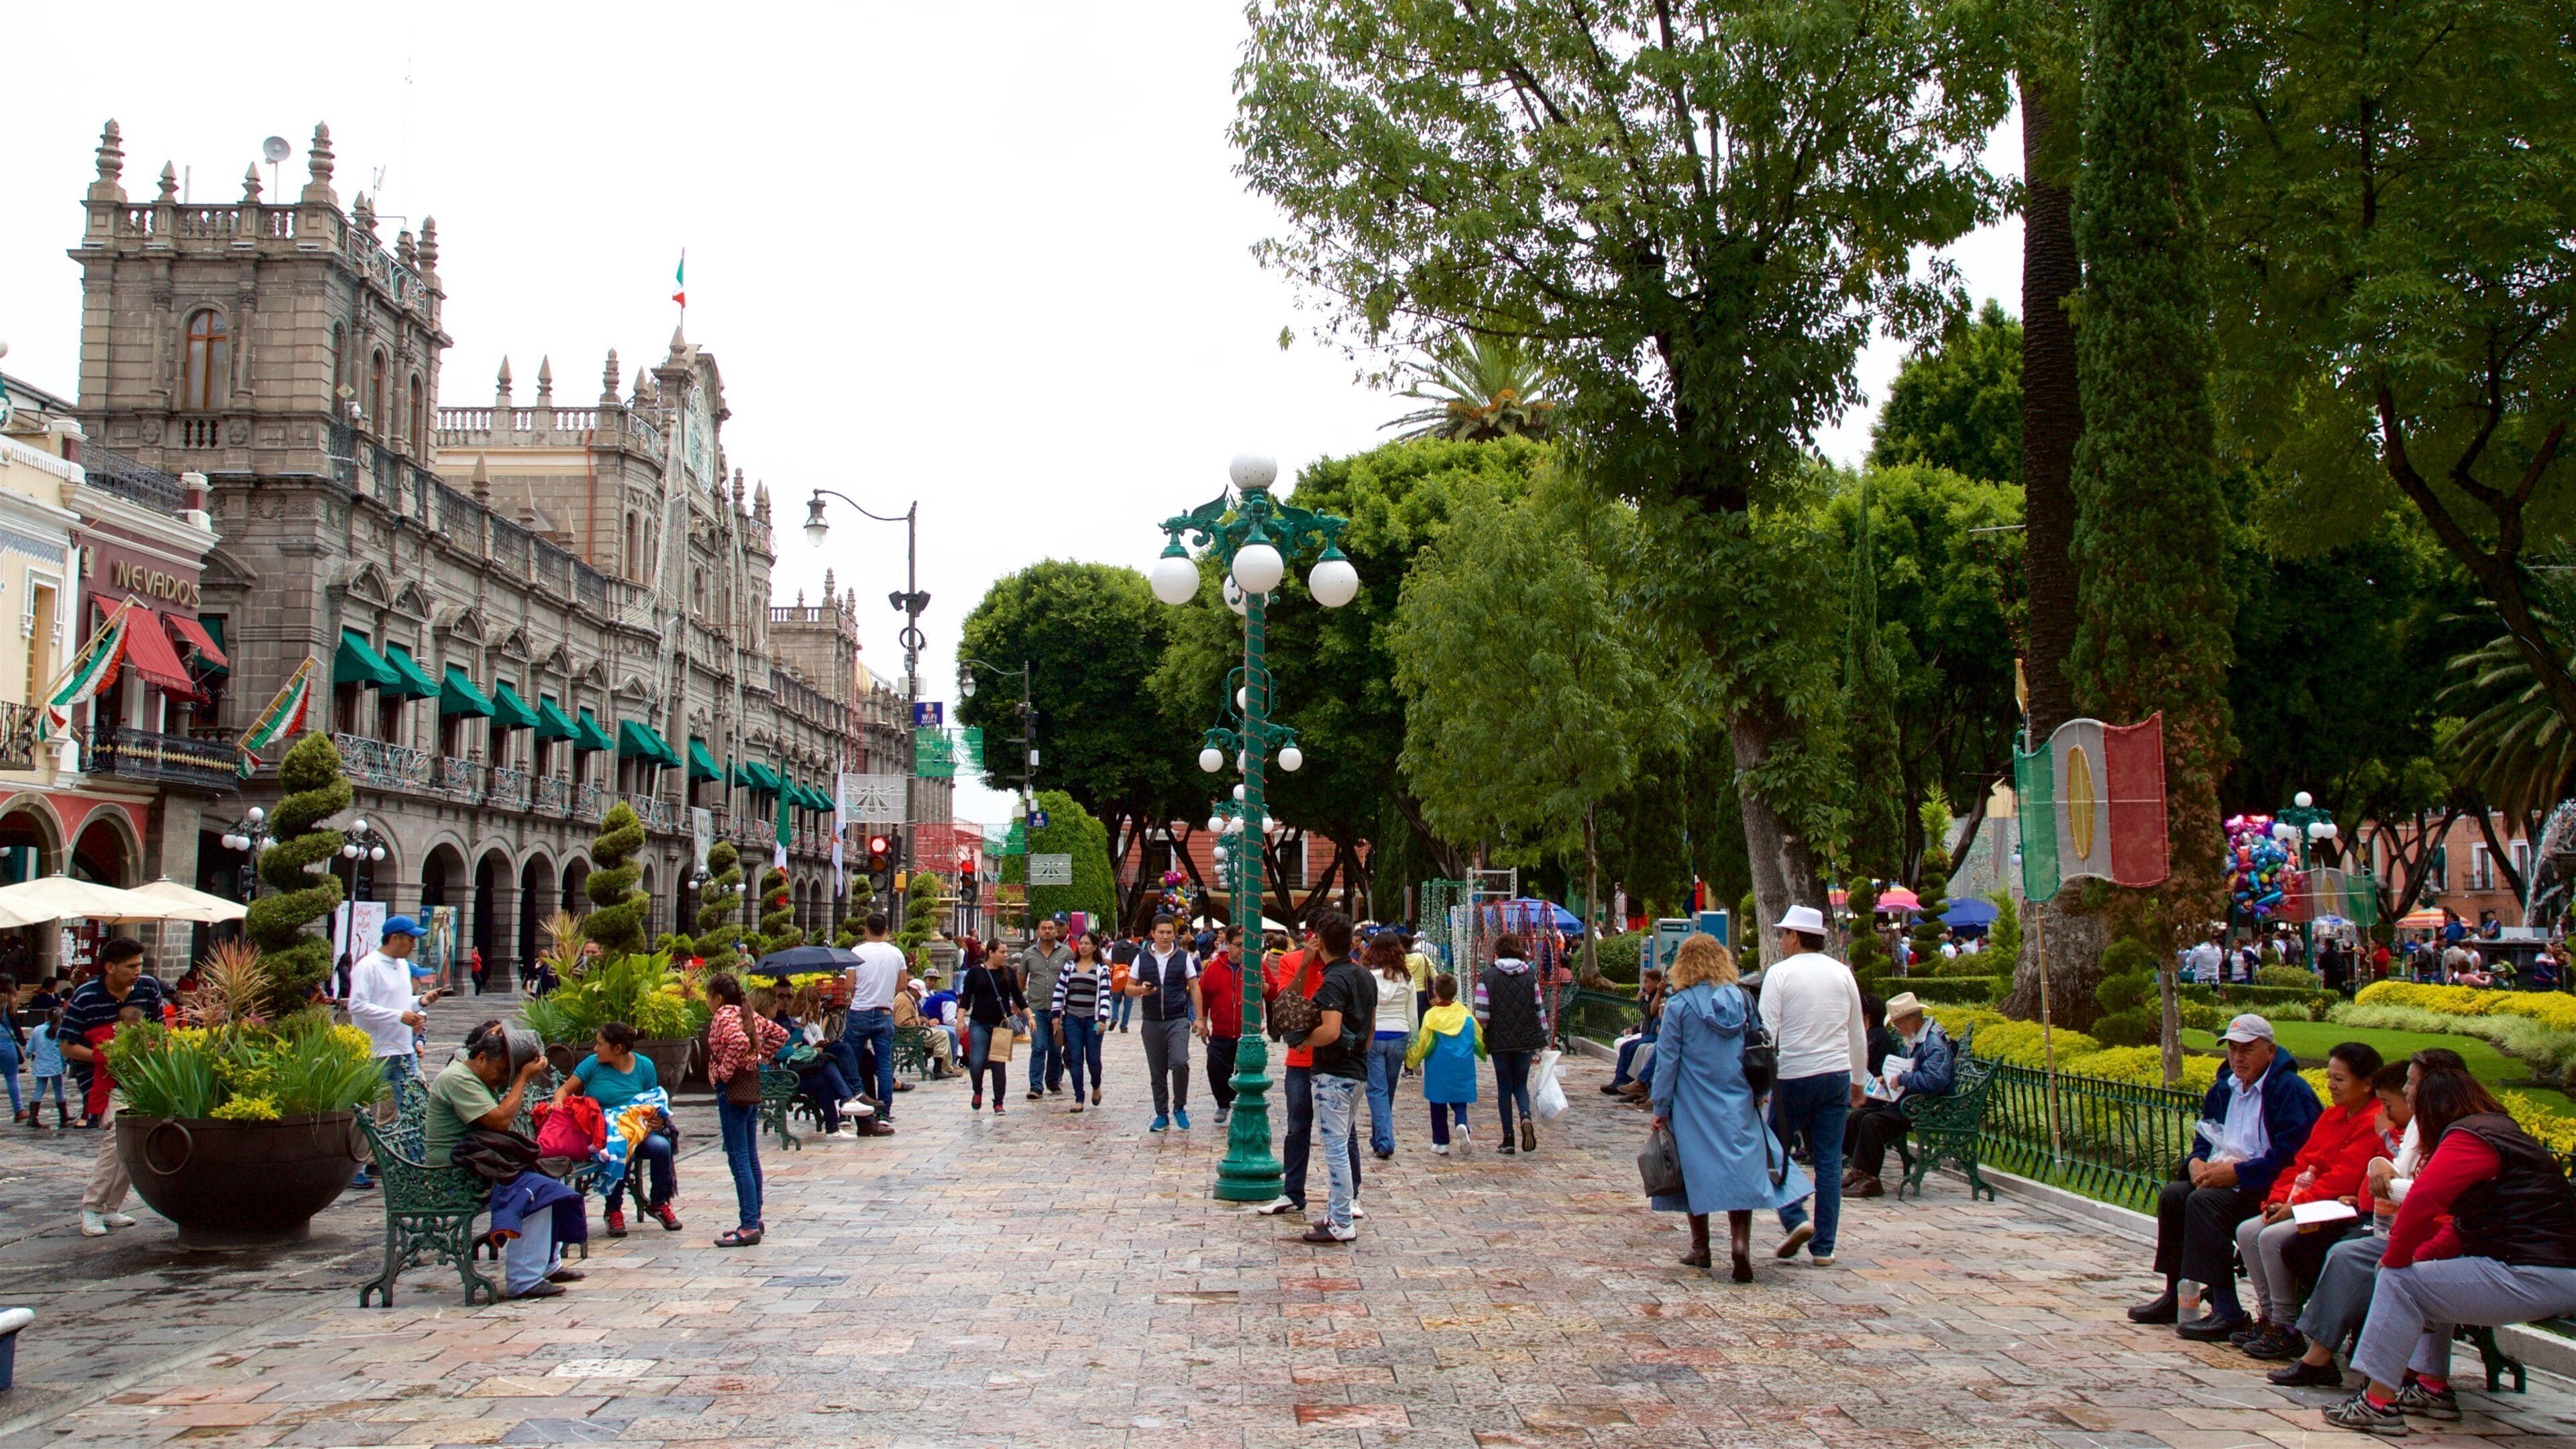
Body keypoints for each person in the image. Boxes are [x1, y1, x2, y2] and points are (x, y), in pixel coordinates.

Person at [2324, 1067, 2576, 1434]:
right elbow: (2467, 1225)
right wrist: (2418, 1257)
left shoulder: (2468, 1137)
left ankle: (2376, 1404)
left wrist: (2393, 1261)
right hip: (2550, 1272)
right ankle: (2430, 1388)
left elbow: (2424, 1200)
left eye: (2413, 1090)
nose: (2408, 1095)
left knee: (2400, 1281)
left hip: (2535, 1273)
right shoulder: (2498, 1130)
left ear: (2434, 1104)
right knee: (2421, 1275)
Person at [2129, 1014, 2325, 1336]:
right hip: (2227, 1177)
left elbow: (2293, 1155)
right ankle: (2176, 1293)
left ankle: (2227, 1307)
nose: (2238, 1057)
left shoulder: (2289, 1090)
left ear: (2271, 1051)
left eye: (2247, 1049)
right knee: (2175, 1196)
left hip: (2268, 1188)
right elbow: (2206, 1136)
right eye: (2233, 1049)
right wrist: (2196, 1160)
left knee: (2206, 1203)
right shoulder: (2224, 1089)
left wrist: (2239, 1174)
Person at [1651, 934, 1815, 1283]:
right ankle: (1740, 1244)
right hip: (1738, 1096)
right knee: (1740, 1168)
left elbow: (1667, 1060)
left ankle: (1701, 1247)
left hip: (1693, 1099)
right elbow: (1761, 1045)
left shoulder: (1679, 1006)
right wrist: (1762, 1090)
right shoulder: (1742, 1000)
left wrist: (1660, 1106)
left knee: (1693, 1171)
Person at [2270, 1056, 2441, 1387]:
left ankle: (2320, 1353)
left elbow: (2422, 1189)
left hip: (2418, 1232)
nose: (2407, 1091)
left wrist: (2382, 1160)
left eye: (2412, 1083)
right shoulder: (2405, 1126)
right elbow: (2310, 1162)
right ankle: (2288, 1326)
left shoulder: (2428, 1129)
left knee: (2344, 1254)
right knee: (2290, 1242)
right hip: (2377, 1217)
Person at [2230, 1040, 2387, 1359]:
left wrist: (2294, 1208)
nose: (2330, 1086)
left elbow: (2344, 1176)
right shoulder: (2332, 1118)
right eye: (2329, 1077)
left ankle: (2287, 1326)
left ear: (2367, 1083)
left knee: (2274, 1237)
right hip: (2305, 1200)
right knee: (2249, 1230)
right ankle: (2270, 1315)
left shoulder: (2373, 1121)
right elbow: (2301, 1164)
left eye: (2339, 1080)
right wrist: (2275, 1201)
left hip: (2342, 1207)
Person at [427, 1020, 582, 1297]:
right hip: (454, 1172)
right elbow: (499, 1121)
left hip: (478, 1162)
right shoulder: (458, 1078)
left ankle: (547, 1264)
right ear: (482, 1058)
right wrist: (522, 1078)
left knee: (551, 1174)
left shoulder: (475, 1071)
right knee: (534, 1191)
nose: (502, 1080)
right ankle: (524, 1279)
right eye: (501, 1072)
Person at [1758, 905, 1867, 1265]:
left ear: (1793, 936)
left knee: (1774, 1151)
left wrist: (1761, 1086)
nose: (1782, 941)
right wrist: (1858, 1079)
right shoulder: (1842, 974)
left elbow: (1766, 1034)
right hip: (1835, 1073)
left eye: (1783, 934)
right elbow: (1856, 1032)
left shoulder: (1780, 974)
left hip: (1793, 1075)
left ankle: (1794, 1217)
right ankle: (1825, 1246)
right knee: (1829, 1161)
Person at [61, 938, 166, 1237]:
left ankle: (110, 1208)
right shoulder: (85, 996)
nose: (138, 971)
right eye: (131, 966)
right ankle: (92, 1207)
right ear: (110, 967)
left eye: (140, 965)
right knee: (118, 1134)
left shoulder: (148, 988)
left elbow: (159, 1030)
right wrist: (105, 1054)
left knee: (133, 1139)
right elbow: (67, 1046)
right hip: (100, 1079)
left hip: (141, 1075)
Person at [1257, 928, 1362, 1218]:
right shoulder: (1293, 960)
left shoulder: (1348, 969)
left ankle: (1350, 1195)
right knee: (1297, 1127)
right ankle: (1293, 1192)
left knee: (1345, 1132)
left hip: (1335, 1061)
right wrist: (1305, 963)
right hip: (1301, 1061)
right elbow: (1283, 1000)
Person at [555, 1022, 681, 1236]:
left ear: (618, 1049)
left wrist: (658, 1120)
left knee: (661, 1147)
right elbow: (564, 1090)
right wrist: (558, 1106)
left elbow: (653, 1101)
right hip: (602, 1134)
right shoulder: (591, 1065)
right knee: (621, 1147)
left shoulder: (644, 1066)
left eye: (600, 1044)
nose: (595, 1049)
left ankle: (659, 1203)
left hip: (636, 1130)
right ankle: (613, 1210)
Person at [1293, 912, 1372, 1244]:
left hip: (1334, 1072)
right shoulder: (1364, 976)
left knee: (1335, 1146)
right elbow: (1369, 1031)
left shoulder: (1333, 982)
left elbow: (1330, 1030)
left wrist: (1302, 1041)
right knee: (1342, 1141)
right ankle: (1336, 1210)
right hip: (1357, 1071)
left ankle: (1341, 1221)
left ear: (1321, 943)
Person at [345, 915, 436, 1189]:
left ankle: (396, 1161)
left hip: (403, 1049)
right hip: (377, 1051)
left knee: (406, 1108)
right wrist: (400, 1015)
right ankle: (355, 1168)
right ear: (394, 938)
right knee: (371, 1112)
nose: (413, 944)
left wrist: (419, 1002)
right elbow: (357, 1006)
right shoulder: (368, 966)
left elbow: (397, 1002)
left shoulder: (400, 966)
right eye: (410, 939)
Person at [1841, 991, 1956, 1198]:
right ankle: (1860, 1170)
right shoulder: (1915, 1041)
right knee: (1859, 1116)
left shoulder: (1933, 1045)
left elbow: (1934, 1082)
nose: (1897, 1029)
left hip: (1925, 1107)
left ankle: (1871, 1179)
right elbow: (1905, 1068)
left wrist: (1903, 1079)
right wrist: (1888, 1078)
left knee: (1873, 1122)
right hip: (1909, 1102)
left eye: (1898, 1023)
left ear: (1912, 1020)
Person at [704, 973, 785, 1247]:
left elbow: (738, 1042)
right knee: (750, 1154)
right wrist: (759, 1058)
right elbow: (779, 1034)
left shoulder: (725, 1014)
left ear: (717, 998)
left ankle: (749, 1224)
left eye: (707, 997)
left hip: (733, 1088)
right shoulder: (746, 1012)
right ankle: (755, 1215)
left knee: (738, 1156)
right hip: (751, 1084)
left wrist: (725, 1072)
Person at [1124, 914, 1203, 1132]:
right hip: (1151, 1021)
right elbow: (1128, 988)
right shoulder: (1142, 958)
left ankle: (1180, 1107)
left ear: (1174, 934)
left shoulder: (1184, 958)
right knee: (1157, 1071)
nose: (1166, 936)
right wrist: (1142, 990)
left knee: (1179, 1062)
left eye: (1169, 932)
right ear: (1153, 933)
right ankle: (1162, 1114)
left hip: (1177, 1018)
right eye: (1161, 932)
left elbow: (1195, 987)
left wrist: (1200, 1017)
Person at [1477, 933, 1550, 1155]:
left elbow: (1481, 1013)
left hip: (1499, 1040)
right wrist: (1543, 1039)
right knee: (1520, 1084)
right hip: (1526, 1039)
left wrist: (1486, 1031)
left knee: (1504, 1087)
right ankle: (1525, 1115)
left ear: (1497, 952)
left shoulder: (1488, 977)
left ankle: (1508, 1138)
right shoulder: (1530, 976)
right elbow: (1540, 1009)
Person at [839, 913, 902, 1136]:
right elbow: (902, 984)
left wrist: (861, 992)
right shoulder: (896, 954)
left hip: (859, 1013)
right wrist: (884, 994)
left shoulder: (856, 953)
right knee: (884, 1065)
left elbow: (848, 985)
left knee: (851, 1063)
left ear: (866, 930)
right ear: (886, 930)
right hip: (884, 1012)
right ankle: (883, 1113)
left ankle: (847, 1112)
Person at [1408, 973, 1481, 1153]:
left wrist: (1411, 1058)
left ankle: (1441, 1143)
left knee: (1438, 1102)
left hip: (1438, 1066)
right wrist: (1484, 1051)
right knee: (1459, 1099)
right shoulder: (1465, 1014)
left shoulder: (1431, 1015)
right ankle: (1462, 1123)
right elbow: (1478, 1037)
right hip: (1462, 1064)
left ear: (1435, 992)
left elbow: (1424, 1042)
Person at [1363, 931, 1417, 1160]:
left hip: (1374, 1035)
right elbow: (1412, 1015)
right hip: (1399, 1033)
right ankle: (1379, 1137)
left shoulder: (1368, 977)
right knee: (1388, 1089)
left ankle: (1385, 1140)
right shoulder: (1407, 979)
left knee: (1377, 1089)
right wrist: (1413, 1043)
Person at [959, 943, 1028, 1114]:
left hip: (1000, 1025)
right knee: (977, 1062)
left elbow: (1018, 997)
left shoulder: (1008, 972)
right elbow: (966, 999)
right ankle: (978, 1090)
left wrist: (1030, 1016)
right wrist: (960, 1020)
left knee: (999, 1065)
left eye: (1006, 952)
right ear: (991, 952)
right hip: (979, 1023)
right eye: (1002, 952)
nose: (1006, 955)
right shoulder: (976, 972)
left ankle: (999, 1102)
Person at [1051, 930, 1114, 1111]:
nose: (1083, 946)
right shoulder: (1070, 967)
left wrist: (1102, 1019)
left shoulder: (1101, 970)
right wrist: (1056, 1015)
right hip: (1072, 1019)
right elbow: (1060, 991)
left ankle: (1096, 1084)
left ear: (1095, 947)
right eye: (1081, 943)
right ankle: (1079, 1098)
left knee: (1093, 1059)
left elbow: (1104, 996)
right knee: (1075, 1059)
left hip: (1092, 1020)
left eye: (1087, 943)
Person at [1020, 915, 1073, 1102]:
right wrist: (1019, 1004)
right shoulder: (1029, 954)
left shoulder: (1066, 953)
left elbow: (1072, 980)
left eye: (1051, 928)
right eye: (1045, 928)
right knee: (1038, 1046)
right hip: (1037, 1008)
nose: (1049, 931)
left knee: (1055, 1047)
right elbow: (1021, 980)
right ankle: (1035, 1085)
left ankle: (1052, 1080)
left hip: (1059, 1009)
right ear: (1038, 931)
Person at [1201, 925, 1245, 1122]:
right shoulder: (1215, 968)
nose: (1242, 950)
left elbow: (1272, 992)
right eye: (1238, 945)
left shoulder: (1255, 967)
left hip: (1246, 1034)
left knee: (1245, 1071)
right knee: (1216, 1068)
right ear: (1228, 945)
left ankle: (1240, 1103)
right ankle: (1223, 1103)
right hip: (1220, 1031)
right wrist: (1202, 1021)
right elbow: (1203, 996)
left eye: (1246, 945)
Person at [1607, 969, 1666, 1102]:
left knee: (1638, 1048)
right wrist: (1634, 1028)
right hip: (1648, 1033)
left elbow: (1651, 1012)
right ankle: (1621, 1080)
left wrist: (1641, 1000)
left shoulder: (1661, 997)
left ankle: (1636, 1084)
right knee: (1626, 1046)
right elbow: (1645, 1020)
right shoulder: (1650, 996)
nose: (1644, 986)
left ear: (1656, 982)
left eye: (1646, 982)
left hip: (1655, 1034)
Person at [25, 1007, 65, 1130]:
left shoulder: (37, 1030)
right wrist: (64, 1064)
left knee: (40, 1089)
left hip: (41, 1065)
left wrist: (27, 1054)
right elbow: (62, 1051)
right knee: (59, 1089)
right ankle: (63, 1115)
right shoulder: (59, 1031)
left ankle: (33, 1117)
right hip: (55, 1065)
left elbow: (29, 1049)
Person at [1108, 930, 1140, 1032]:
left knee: (1116, 1000)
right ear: (1132, 935)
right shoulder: (1137, 948)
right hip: (1130, 977)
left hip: (1118, 975)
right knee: (1128, 1002)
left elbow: (1108, 960)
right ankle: (1124, 1025)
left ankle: (1115, 1017)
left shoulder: (1115, 946)